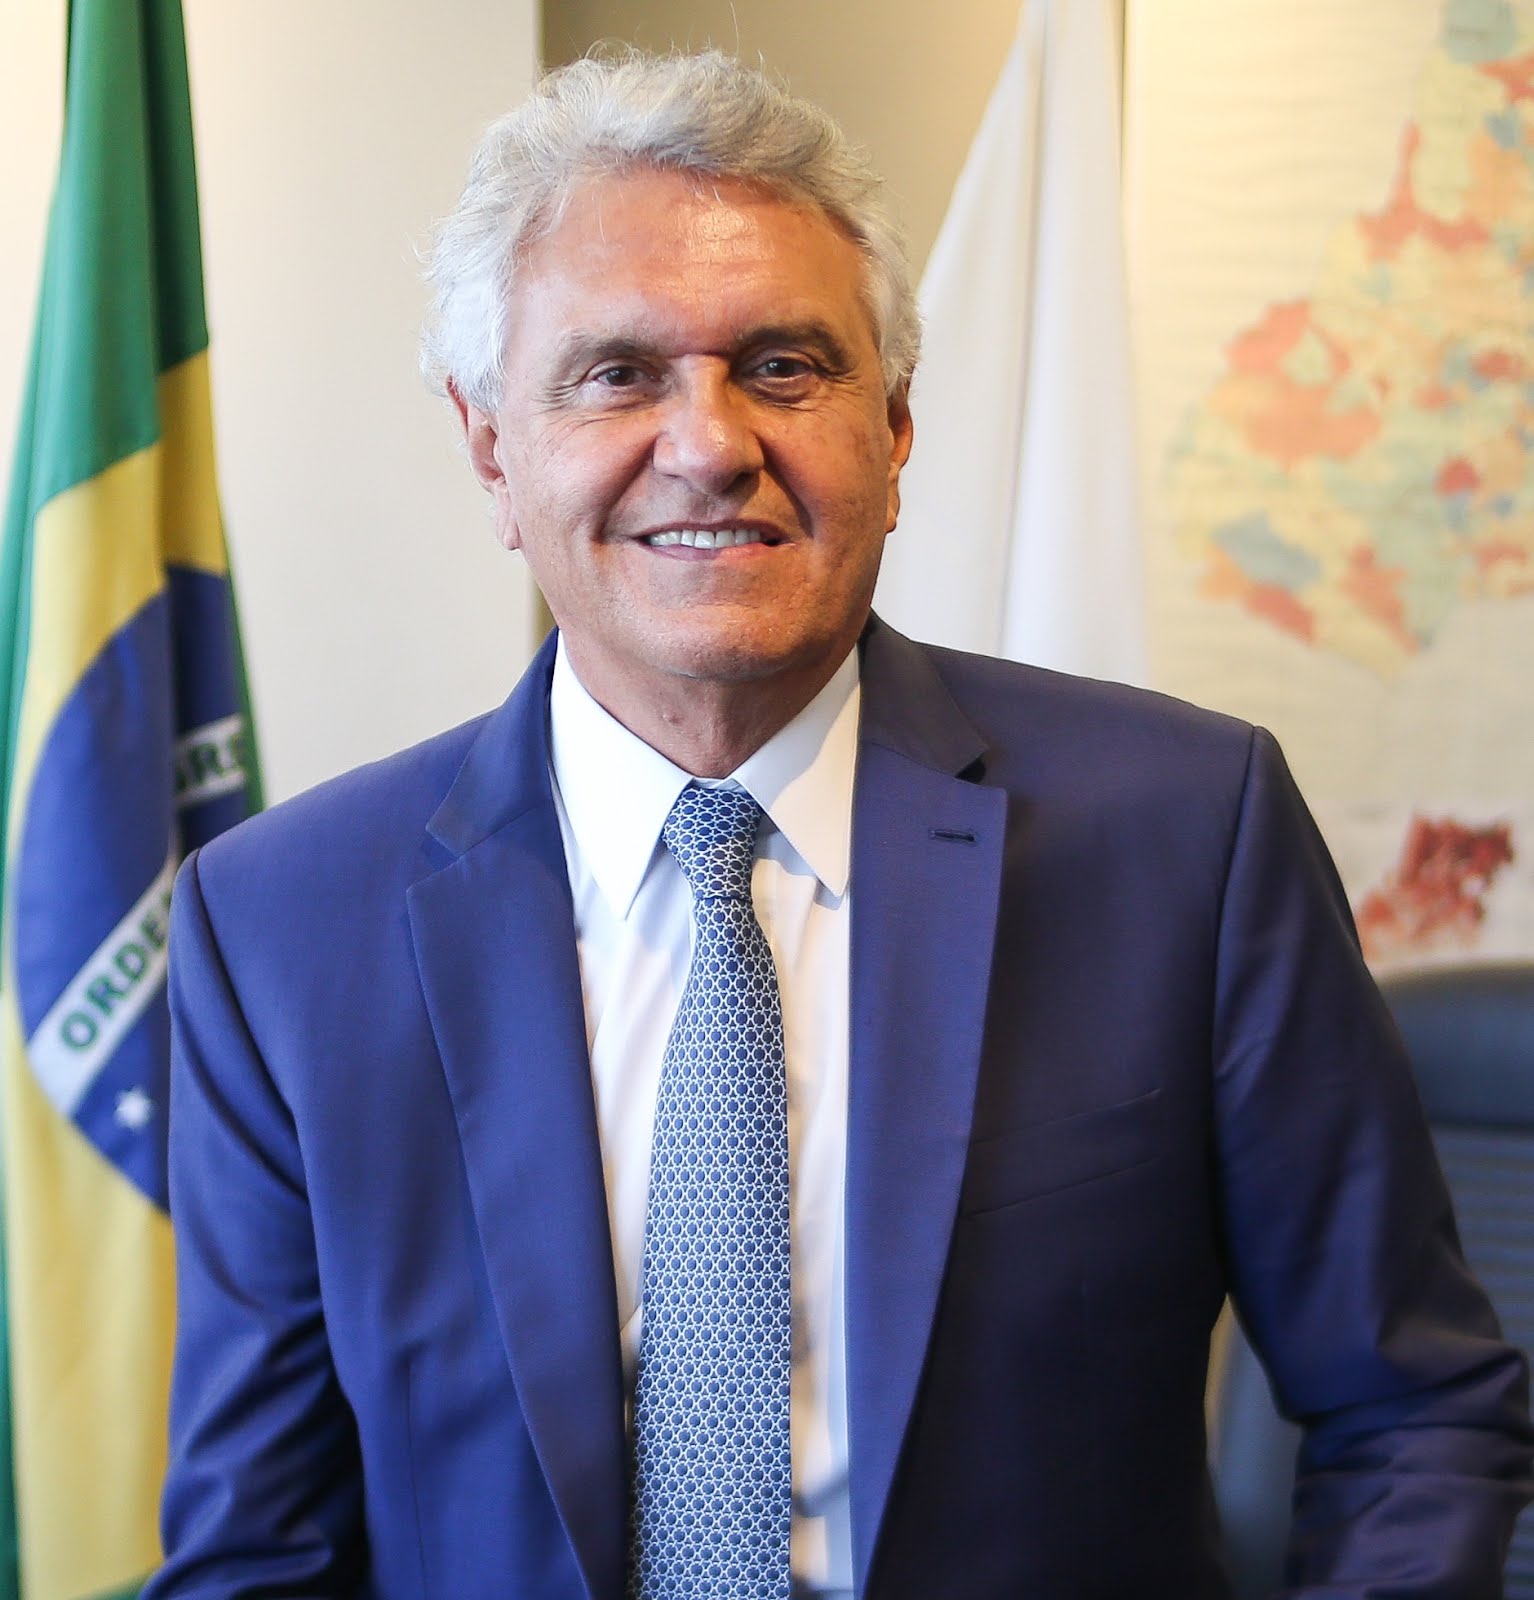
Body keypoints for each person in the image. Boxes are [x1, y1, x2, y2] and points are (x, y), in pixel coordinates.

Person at [146, 50, 1532, 1600]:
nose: (707, 444)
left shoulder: (1183, 837)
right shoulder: (283, 927)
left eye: (784, 366)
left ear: (895, 428)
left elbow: (1413, 1410)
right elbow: (258, 1548)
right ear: (491, 448)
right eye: (616, 375)